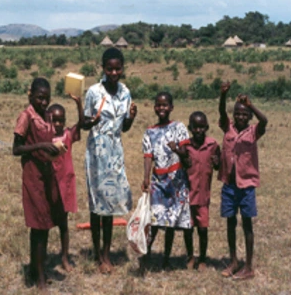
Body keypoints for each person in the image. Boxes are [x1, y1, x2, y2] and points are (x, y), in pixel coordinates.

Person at [84, 47, 137, 273]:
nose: (114, 73)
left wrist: (131, 119)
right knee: (97, 204)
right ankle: (98, 254)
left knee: (112, 204)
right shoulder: (94, 92)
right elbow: (84, 123)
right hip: (97, 151)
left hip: (115, 151)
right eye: (110, 68)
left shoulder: (125, 93)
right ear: (103, 68)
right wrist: (93, 120)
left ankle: (106, 252)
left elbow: (123, 127)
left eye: (118, 68)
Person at [12, 77, 62, 291]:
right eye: (40, 98)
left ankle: (35, 270)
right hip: (33, 175)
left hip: (47, 173)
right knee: (38, 225)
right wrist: (41, 146)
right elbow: (16, 149)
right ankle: (39, 277)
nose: (43, 102)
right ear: (30, 95)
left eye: (46, 98)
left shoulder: (46, 116)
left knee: (44, 226)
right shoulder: (26, 117)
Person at [218, 81, 268, 280]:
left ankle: (248, 266)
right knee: (230, 223)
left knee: (247, 224)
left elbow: (264, 120)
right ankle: (233, 260)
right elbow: (222, 112)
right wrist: (223, 95)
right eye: (237, 113)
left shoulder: (254, 131)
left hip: (246, 186)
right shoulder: (227, 128)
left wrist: (251, 105)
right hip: (229, 186)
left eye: (244, 114)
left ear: (249, 117)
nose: (240, 116)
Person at [141, 91, 192, 270]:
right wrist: (146, 178)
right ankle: (146, 253)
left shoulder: (179, 127)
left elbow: (186, 153)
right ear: (154, 107)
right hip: (158, 181)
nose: (161, 108)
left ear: (171, 107)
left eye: (165, 105)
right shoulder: (150, 132)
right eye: (158, 104)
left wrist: (176, 148)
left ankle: (166, 257)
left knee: (170, 222)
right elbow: (148, 157)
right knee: (155, 220)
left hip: (176, 180)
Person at [47, 94, 84, 272]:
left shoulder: (68, 135)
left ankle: (64, 257)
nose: (58, 124)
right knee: (45, 222)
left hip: (65, 184)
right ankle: (42, 256)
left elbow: (82, 124)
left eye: (61, 120)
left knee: (63, 223)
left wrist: (79, 104)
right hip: (49, 184)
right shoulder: (45, 139)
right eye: (54, 121)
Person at [185, 111, 221, 271]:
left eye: (201, 127)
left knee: (203, 229)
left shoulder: (212, 145)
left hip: (203, 196)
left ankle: (202, 259)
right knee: (188, 229)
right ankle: (190, 256)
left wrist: (217, 162)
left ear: (206, 127)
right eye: (195, 127)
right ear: (190, 128)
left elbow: (218, 165)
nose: (199, 130)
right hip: (187, 195)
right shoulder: (185, 146)